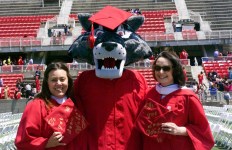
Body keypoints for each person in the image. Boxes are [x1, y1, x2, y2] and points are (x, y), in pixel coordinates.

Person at [135, 51, 214, 150]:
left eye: (166, 68)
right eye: (157, 68)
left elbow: (203, 130)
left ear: (175, 70)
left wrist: (180, 130)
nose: (161, 72)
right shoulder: (149, 94)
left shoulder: (188, 98)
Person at [15, 62, 87, 150]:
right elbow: (23, 142)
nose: (59, 83)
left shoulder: (78, 103)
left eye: (62, 79)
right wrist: (46, 143)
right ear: (47, 82)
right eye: (54, 80)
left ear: (68, 81)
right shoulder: (37, 106)